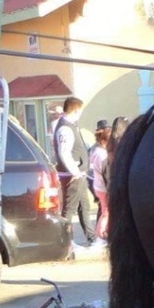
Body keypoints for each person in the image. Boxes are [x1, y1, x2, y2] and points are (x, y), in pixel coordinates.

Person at [52, 96, 99, 247]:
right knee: (69, 209)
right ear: (76, 110)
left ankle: (91, 238)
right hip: (74, 175)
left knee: (84, 206)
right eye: (80, 111)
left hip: (80, 174)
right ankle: (65, 242)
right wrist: (75, 172)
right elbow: (64, 153)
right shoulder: (65, 128)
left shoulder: (70, 126)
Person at [88, 120, 111, 240]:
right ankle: (100, 235)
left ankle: (101, 234)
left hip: (97, 186)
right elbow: (106, 175)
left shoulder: (95, 150)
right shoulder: (102, 154)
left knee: (104, 211)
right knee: (106, 212)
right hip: (102, 187)